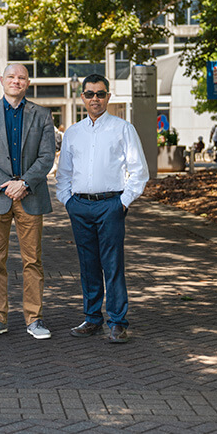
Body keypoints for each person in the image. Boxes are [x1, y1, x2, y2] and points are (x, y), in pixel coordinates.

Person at [55, 73, 148, 344]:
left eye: (100, 93)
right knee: (88, 264)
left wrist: (122, 203)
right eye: (90, 94)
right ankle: (92, 318)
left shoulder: (123, 129)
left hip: (110, 204)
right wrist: (68, 201)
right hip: (80, 205)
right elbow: (64, 173)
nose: (95, 98)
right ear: (82, 97)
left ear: (109, 96)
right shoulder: (73, 133)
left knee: (113, 265)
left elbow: (139, 171)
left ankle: (117, 321)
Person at [0, 64, 56, 340]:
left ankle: (35, 319)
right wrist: (6, 184)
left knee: (33, 261)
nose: (15, 81)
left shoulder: (42, 115)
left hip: (30, 194)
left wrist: (25, 183)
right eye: (11, 77)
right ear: (1, 80)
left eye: (21, 78)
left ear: (28, 83)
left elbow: (46, 156)